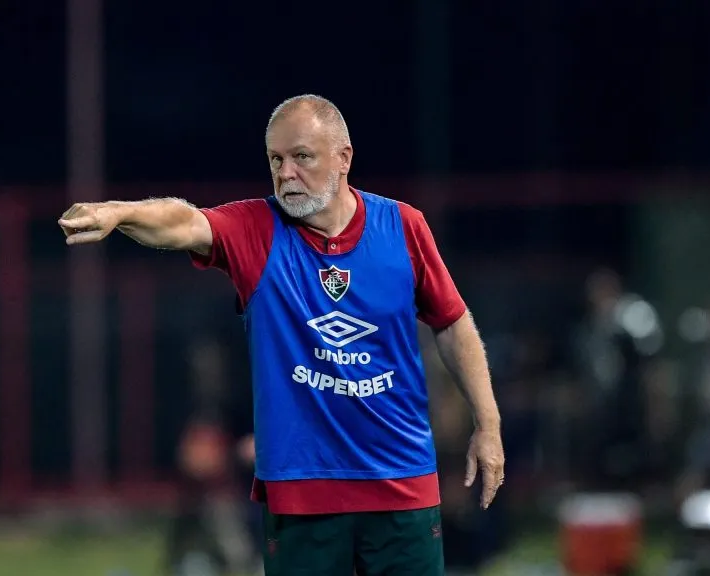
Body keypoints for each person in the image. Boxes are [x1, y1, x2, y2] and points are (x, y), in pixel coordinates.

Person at [58, 94, 505, 575]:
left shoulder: (402, 226)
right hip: (301, 492)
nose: (286, 173)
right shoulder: (256, 228)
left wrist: (488, 425)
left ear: (344, 158)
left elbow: (452, 323)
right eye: (276, 159)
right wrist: (120, 213)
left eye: (301, 157)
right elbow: (184, 222)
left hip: (401, 481)